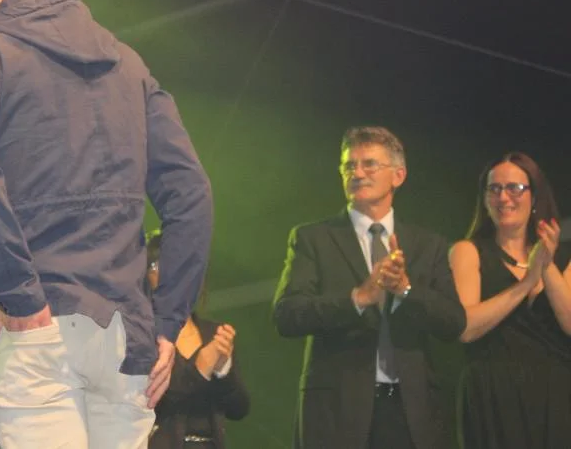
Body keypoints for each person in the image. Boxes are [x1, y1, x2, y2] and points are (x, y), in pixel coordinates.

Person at [0, 0, 214, 448]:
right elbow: (191, 194)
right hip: (126, 335)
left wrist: (19, 294)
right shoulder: (127, 63)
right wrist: (167, 324)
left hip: (38, 325)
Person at [272, 126, 466, 449]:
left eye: (369, 164)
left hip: (412, 412)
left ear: (398, 175)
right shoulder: (313, 238)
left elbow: (454, 322)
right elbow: (287, 315)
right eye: (349, 165)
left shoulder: (427, 244)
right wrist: (358, 298)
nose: (358, 173)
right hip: (337, 411)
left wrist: (406, 290)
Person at [448, 152, 571, 449]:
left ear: (534, 196)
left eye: (514, 188)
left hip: (555, 392)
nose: (504, 197)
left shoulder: (564, 257)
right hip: (493, 392)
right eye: (495, 189)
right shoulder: (468, 251)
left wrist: (545, 263)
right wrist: (527, 283)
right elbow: (467, 328)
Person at [145, 231, 249, 449]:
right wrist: (200, 369)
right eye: (158, 265)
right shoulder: (140, 334)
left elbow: (238, 408)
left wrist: (223, 371)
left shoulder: (213, 333)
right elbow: (151, 399)